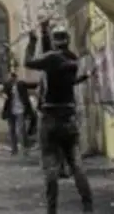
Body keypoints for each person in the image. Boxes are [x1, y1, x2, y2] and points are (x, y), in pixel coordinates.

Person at [25, 24, 94, 214]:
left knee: (50, 166)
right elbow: (52, 60)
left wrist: (32, 41)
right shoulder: (72, 59)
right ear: (68, 40)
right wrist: (44, 31)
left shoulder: (51, 59)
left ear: (55, 41)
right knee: (76, 163)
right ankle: (88, 206)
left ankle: (52, 209)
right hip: (69, 117)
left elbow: (29, 62)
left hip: (50, 117)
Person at [1, 71, 36, 155]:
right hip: (11, 110)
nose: (10, 79)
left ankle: (25, 147)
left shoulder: (20, 85)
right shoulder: (7, 85)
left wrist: (28, 110)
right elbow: (4, 94)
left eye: (12, 78)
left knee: (21, 129)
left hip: (20, 109)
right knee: (12, 129)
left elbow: (26, 97)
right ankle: (14, 149)